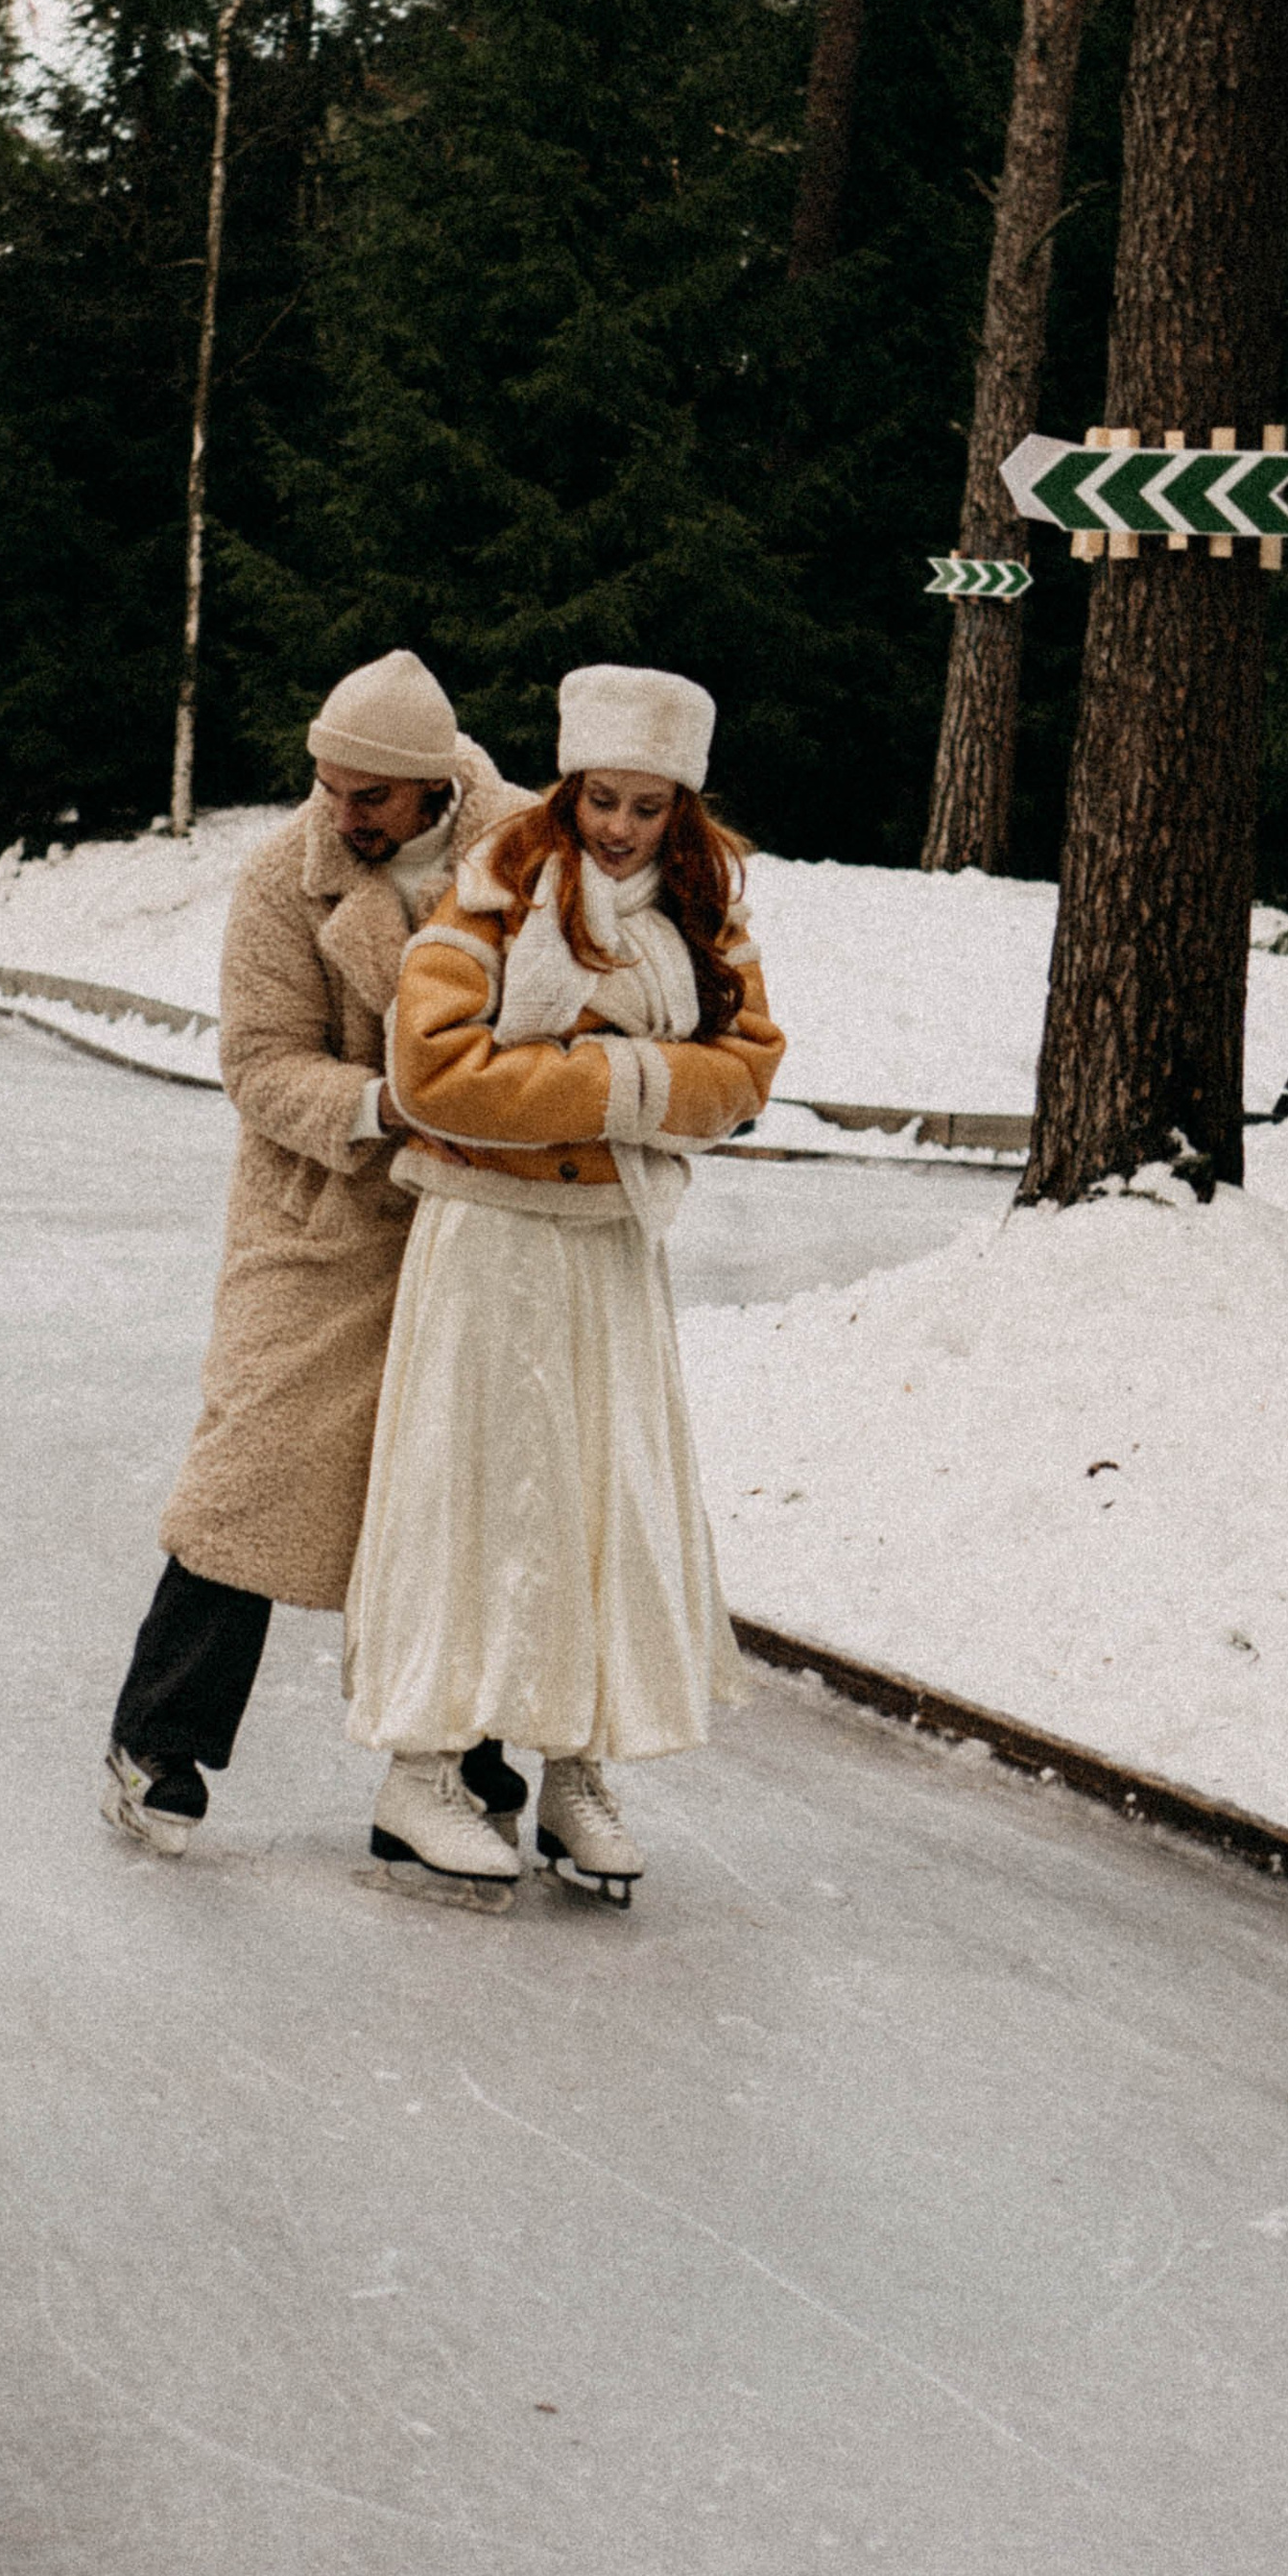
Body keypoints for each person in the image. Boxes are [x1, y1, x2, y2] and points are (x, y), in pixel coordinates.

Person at [345, 662, 784, 1909]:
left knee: (603, 1494)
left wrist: (610, 1075)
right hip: (487, 1238)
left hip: (607, 1243)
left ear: (679, 806)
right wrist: (627, 1083)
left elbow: (745, 1066)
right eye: (604, 797)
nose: (620, 826)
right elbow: (432, 1071)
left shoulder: (706, 911)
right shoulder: (496, 887)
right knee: (467, 1487)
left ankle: (578, 1772)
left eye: (648, 807)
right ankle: (419, 1773)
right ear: (575, 782)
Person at [102, 651, 528, 1854]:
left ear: (434, 785)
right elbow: (260, 1062)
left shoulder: (527, 855)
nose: (341, 816)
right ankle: (157, 1740)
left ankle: (466, 1751)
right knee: (257, 1470)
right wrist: (394, 1104)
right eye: (328, 787)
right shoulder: (281, 881)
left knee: (470, 1485)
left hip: (485, 1223)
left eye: (370, 798)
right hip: (323, 1216)